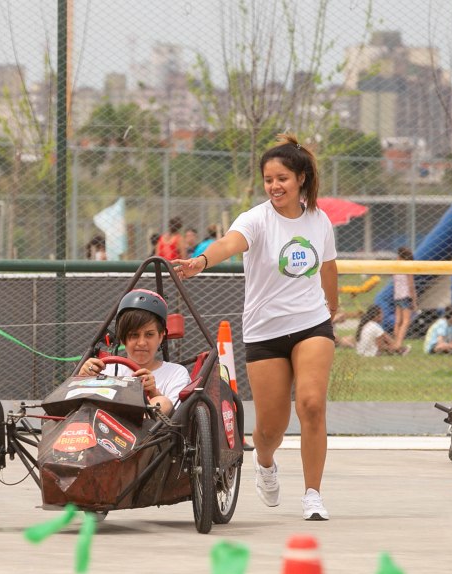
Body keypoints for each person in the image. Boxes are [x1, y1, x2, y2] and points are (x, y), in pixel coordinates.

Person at [173, 133, 338, 520]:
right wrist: (201, 260)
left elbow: (328, 267)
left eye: (282, 178)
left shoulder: (319, 219)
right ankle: (265, 462)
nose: (274, 186)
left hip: (312, 324)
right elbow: (229, 243)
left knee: (312, 404)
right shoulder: (256, 219)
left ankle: (313, 494)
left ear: (300, 179)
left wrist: (331, 310)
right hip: (265, 332)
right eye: (268, 179)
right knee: (271, 427)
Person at [76, 289, 190, 416]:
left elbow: (178, 420)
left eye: (149, 334)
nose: (141, 342)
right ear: (123, 338)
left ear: (161, 336)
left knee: (162, 402)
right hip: (103, 430)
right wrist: (82, 381)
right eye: (134, 335)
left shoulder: (176, 373)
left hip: (152, 433)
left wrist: (153, 392)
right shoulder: (105, 369)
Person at [393, 247, 416, 348]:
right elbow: (411, 285)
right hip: (406, 295)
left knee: (398, 321)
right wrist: (414, 300)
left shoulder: (395, 268)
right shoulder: (408, 267)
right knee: (406, 321)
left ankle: (395, 342)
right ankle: (399, 344)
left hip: (397, 296)